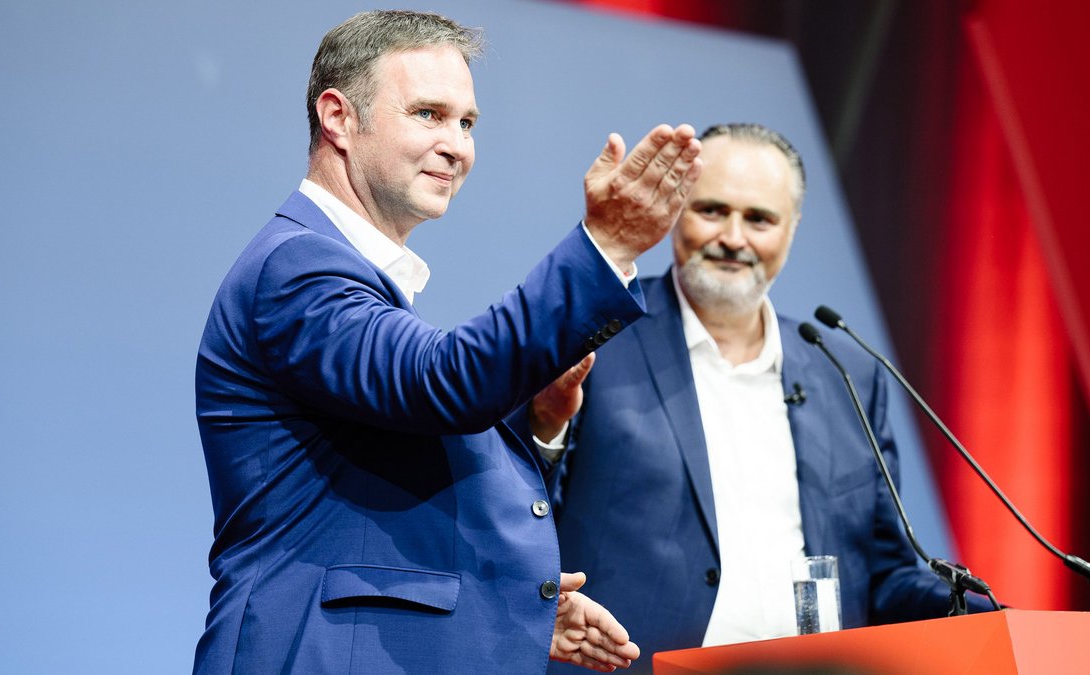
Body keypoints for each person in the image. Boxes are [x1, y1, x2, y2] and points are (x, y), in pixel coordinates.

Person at [193, 10, 704, 674]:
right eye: (429, 115)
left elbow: (393, 479)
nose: (457, 146)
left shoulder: (345, 278)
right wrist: (604, 249)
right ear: (338, 116)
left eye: (467, 123)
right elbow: (442, 385)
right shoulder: (297, 269)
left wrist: (541, 430)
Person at [544, 123, 994, 673]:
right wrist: (545, 422)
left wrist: (985, 616)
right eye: (712, 210)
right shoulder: (596, 340)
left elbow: (884, 571)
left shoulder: (846, 371)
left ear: (792, 228)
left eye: (759, 219)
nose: (734, 237)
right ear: (676, 210)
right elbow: (524, 511)